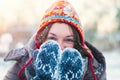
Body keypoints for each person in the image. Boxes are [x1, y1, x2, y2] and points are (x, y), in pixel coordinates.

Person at [3, 0, 106, 80]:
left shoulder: (93, 69)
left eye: (68, 40)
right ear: (42, 39)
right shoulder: (24, 63)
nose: (60, 46)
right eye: (52, 38)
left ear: (77, 43)